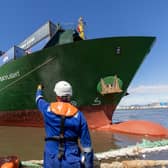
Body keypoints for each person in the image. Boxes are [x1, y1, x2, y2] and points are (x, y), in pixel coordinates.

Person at [35, 81, 94, 168]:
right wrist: (89, 165)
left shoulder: (47, 109)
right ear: (70, 95)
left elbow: (38, 99)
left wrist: (39, 89)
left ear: (57, 95)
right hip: (72, 161)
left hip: (51, 159)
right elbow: (87, 147)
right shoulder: (79, 115)